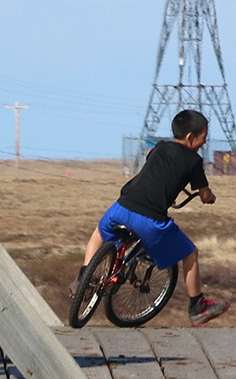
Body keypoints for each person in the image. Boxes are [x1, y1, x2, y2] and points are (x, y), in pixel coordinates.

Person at [84, 108, 228, 325]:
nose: (204, 143)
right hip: (150, 219)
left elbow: (148, 154)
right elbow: (205, 194)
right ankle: (198, 306)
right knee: (190, 253)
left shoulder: (160, 147)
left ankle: (83, 277)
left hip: (121, 207)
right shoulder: (194, 161)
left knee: (98, 233)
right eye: (203, 138)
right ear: (190, 137)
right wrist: (209, 197)